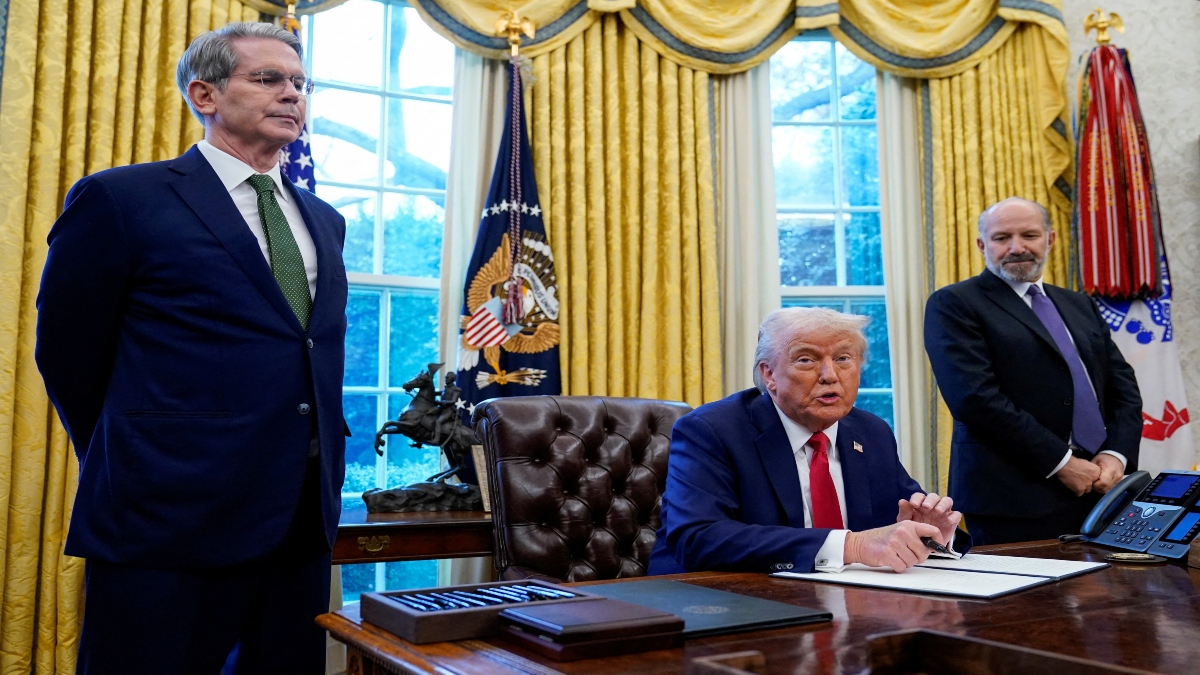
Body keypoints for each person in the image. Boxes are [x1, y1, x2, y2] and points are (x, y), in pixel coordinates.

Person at [35, 22, 348, 674]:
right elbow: (67, 352)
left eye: (300, 83)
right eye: (267, 79)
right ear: (204, 95)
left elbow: (307, 353)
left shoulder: (325, 220)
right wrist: (140, 453)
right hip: (165, 518)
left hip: (298, 520)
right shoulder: (122, 200)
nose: (292, 94)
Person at [648, 307, 967, 575]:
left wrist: (931, 534)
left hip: (849, 602)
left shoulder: (870, 432)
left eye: (843, 358)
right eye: (806, 360)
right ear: (769, 374)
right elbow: (698, 537)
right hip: (722, 603)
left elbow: (900, 519)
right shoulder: (711, 430)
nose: (830, 375)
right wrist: (850, 545)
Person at [923, 197, 1142, 545]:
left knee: (1108, 599)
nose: (1017, 247)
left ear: (1050, 240)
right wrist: (1063, 463)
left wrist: (1116, 454)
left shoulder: (1079, 303)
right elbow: (974, 399)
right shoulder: (955, 304)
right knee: (1026, 602)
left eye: (1029, 235)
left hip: (1102, 491)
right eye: (1001, 238)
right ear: (982, 245)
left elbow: (1123, 388)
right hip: (1013, 501)